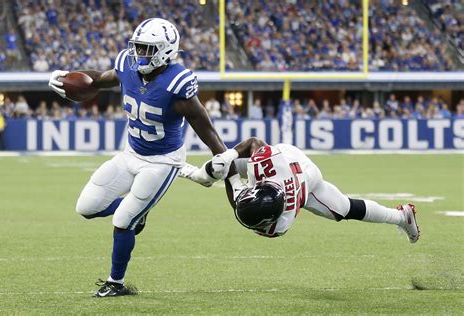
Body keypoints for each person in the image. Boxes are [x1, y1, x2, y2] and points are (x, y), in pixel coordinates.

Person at [48, 18, 231, 297]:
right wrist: (67, 76)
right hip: (131, 153)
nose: (139, 54)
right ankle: (139, 215)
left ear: (166, 51)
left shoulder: (177, 83)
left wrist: (224, 157)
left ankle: (116, 282)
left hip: (162, 161)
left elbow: (203, 124)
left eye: (147, 49)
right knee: (86, 207)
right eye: (138, 47)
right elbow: (98, 79)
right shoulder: (127, 65)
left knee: (122, 221)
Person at [180, 138, 420, 242]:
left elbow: (237, 202)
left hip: (308, 178)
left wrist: (230, 178)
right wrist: (229, 155)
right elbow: (254, 142)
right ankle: (202, 175)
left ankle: (401, 216)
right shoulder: (269, 166)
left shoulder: (277, 226)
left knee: (344, 209)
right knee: (224, 165)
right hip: (286, 158)